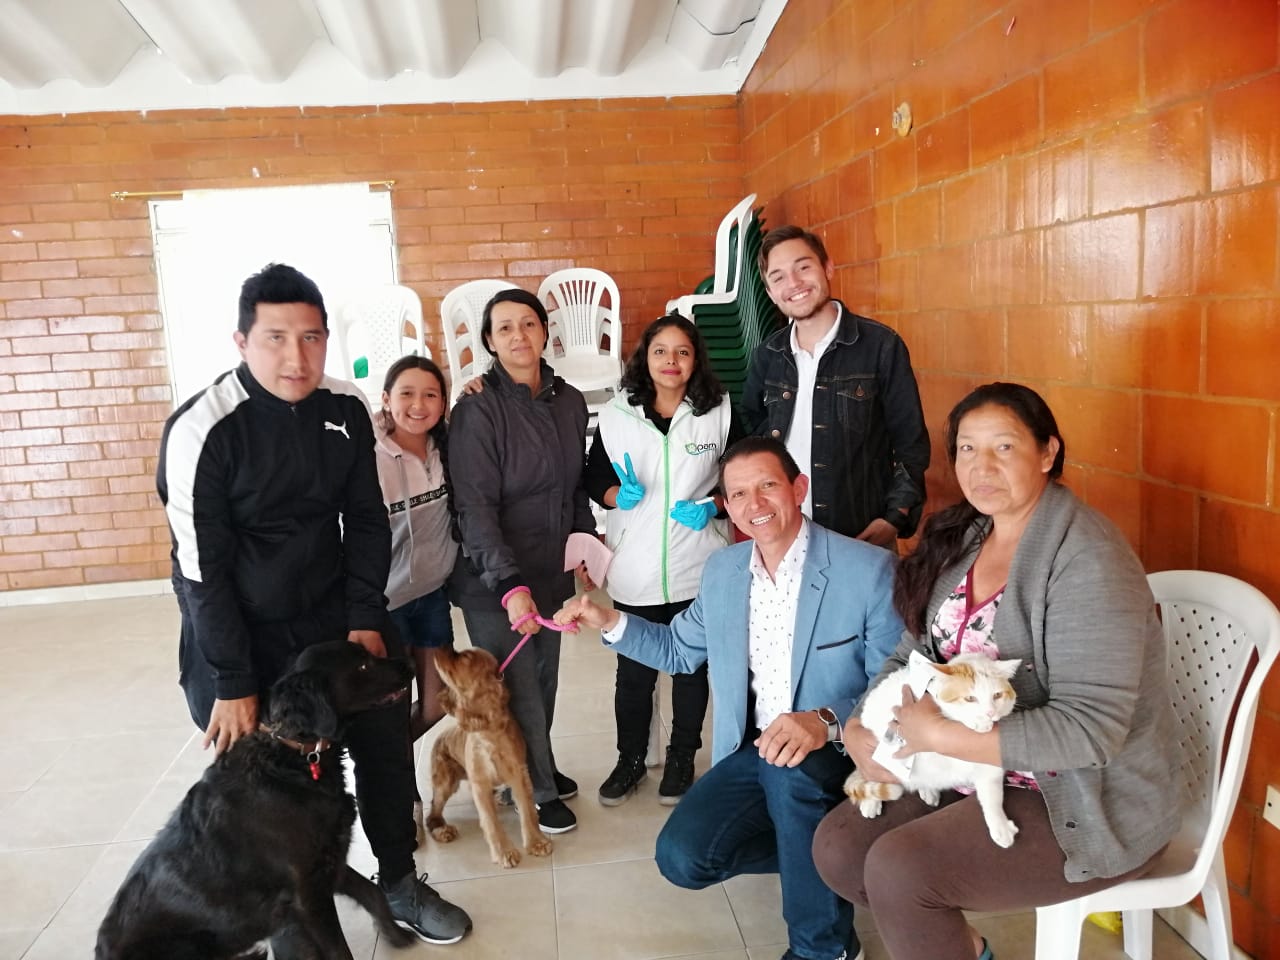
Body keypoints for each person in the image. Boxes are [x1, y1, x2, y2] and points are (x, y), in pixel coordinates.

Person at [155, 263, 472, 950]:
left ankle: (398, 880)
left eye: (311, 338)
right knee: (275, 788)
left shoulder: (345, 407)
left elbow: (364, 518)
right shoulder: (201, 430)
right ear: (240, 341)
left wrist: (364, 614)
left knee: (386, 749)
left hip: (336, 614)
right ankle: (286, 915)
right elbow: (199, 572)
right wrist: (235, 682)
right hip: (244, 634)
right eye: (275, 338)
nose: (295, 357)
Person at [811, 382, 1182, 960]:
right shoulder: (970, 534)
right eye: (966, 449)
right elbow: (914, 649)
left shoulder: (1088, 560)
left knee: (902, 871)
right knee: (839, 848)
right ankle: (966, 948)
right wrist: (861, 724)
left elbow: (1091, 733)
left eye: (1003, 448)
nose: (981, 467)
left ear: (1048, 452)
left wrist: (941, 735)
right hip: (969, 765)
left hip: (1081, 796)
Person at [556, 437, 903, 960]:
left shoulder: (867, 569)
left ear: (799, 488)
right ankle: (834, 853)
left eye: (768, 486)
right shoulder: (724, 571)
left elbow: (896, 685)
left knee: (792, 773)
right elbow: (677, 648)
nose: (754, 504)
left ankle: (824, 948)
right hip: (754, 747)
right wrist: (610, 621)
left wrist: (826, 721)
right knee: (684, 857)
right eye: (738, 494)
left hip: (839, 745)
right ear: (726, 504)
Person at [447, 287, 596, 835]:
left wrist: (583, 543)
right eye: (504, 327)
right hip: (496, 577)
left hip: (550, 566)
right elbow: (474, 507)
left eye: (528, 324)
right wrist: (509, 586)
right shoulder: (478, 409)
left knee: (545, 677)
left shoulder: (570, 400)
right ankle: (532, 787)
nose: (518, 336)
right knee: (520, 687)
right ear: (488, 340)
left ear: (544, 332)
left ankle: (535, 765)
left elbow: (574, 485)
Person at [583, 314, 743, 806]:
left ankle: (681, 760)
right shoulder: (616, 415)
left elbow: (741, 474)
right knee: (633, 675)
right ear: (645, 358)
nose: (671, 362)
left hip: (700, 566)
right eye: (660, 352)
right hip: (637, 569)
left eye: (682, 352)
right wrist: (616, 496)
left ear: (695, 360)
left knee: (691, 672)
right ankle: (630, 760)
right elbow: (593, 480)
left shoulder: (720, 411)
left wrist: (714, 505)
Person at [741, 225, 930, 547]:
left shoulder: (880, 346)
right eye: (779, 277)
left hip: (861, 535)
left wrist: (894, 518)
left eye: (803, 267)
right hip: (786, 536)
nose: (794, 284)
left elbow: (910, 445)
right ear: (770, 292)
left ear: (827, 267)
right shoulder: (767, 356)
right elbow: (752, 436)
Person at [373, 355, 458, 837]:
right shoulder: (370, 455)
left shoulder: (445, 451)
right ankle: (403, 796)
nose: (418, 404)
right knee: (391, 705)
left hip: (430, 596)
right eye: (405, 393)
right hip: (385, 605)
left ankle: (379, 759)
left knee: (435, 704)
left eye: (430, 394)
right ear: (386, 400)